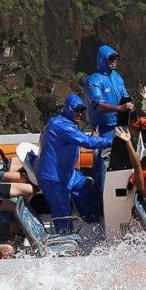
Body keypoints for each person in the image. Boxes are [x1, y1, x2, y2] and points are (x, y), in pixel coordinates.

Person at [34, 93, 113, 232]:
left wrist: (93, 138)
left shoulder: (65, 123)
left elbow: (82, 138)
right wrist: (113, 141)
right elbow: (86, 142)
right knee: (63, 214)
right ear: (69, 109)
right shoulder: (61, 126)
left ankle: (91, 220)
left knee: (86, 185)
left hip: (68, 174)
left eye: (82, 111)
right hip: (54, 179)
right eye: (76, 110)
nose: (79, 114)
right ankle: (64, 241)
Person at [85, 45, 132, 137]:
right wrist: (120, 108)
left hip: (121, 127)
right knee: (106, 151)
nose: (114, 61)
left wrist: (130, 103)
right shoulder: (93, 80)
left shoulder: (117, 77)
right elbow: (99, 106)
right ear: (102, 60)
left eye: (116, 58)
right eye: (111, 58)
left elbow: (125, 97)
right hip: (103, 130)